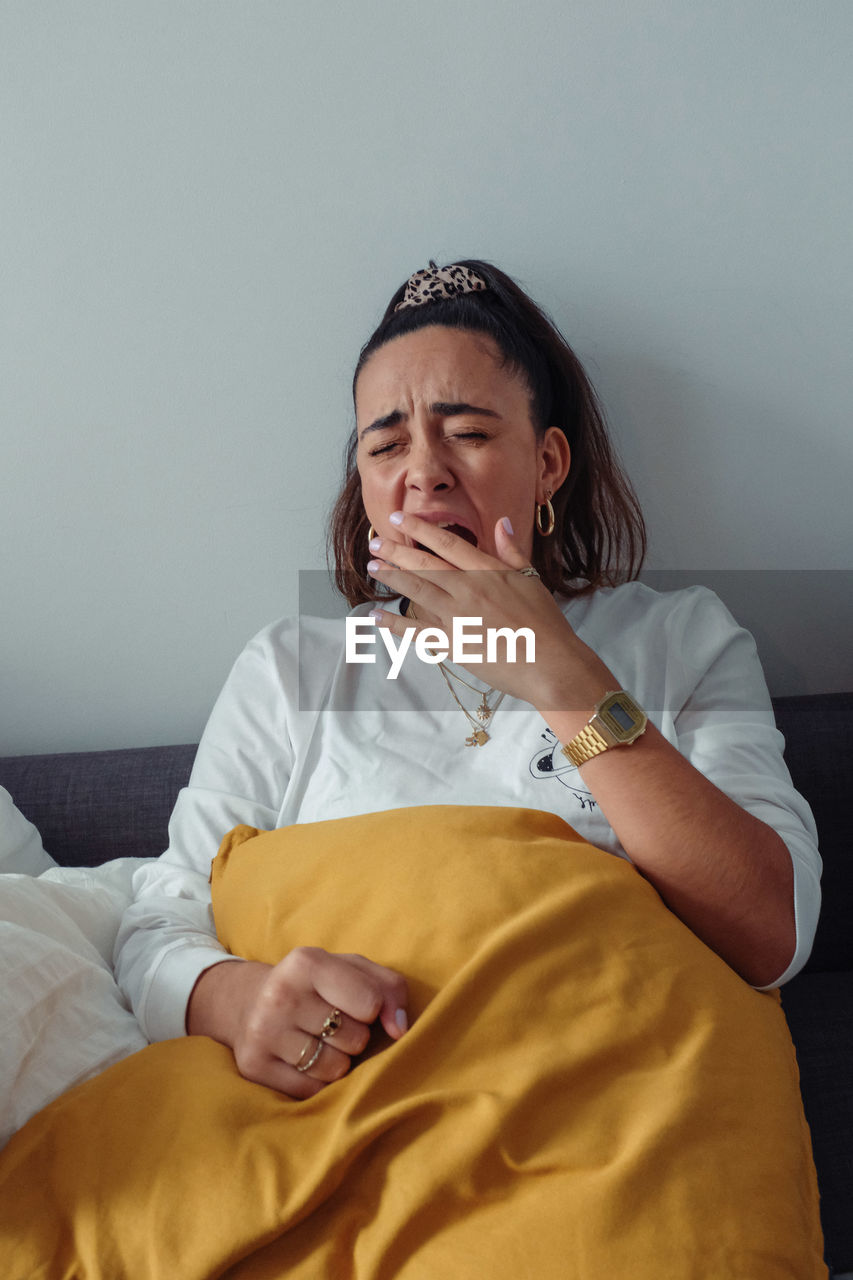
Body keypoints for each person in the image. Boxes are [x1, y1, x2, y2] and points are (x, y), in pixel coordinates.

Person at [114, 259, 821, 1102]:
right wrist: (235, 1000)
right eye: (384, 445)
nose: (424, 471)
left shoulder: (680, 636)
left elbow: (772, 933)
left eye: (470, 433)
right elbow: (157, 919)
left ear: (548, 462)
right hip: (349, 1121)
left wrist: (561, 676)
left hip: (607, 1109)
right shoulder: (291, 667)